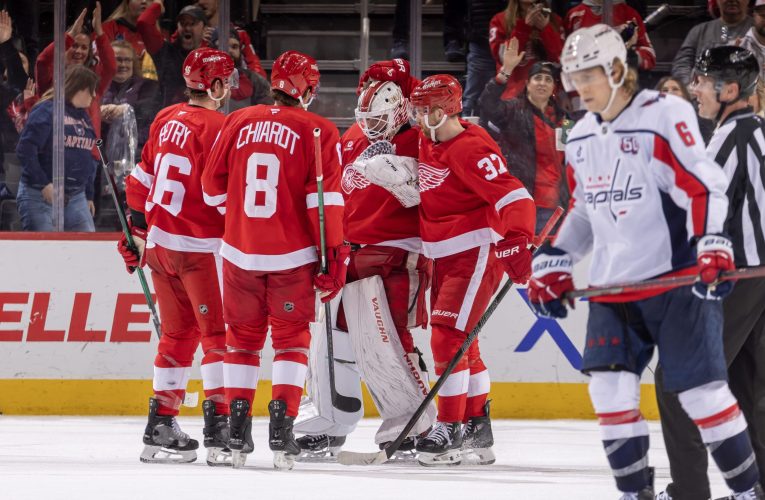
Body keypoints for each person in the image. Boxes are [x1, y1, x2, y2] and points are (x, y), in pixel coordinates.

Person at [528, 24, 763, 499]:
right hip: (616, 290)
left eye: (587, 75)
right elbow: (584, 212)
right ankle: (638, 493)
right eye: (571, 75)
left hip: (681, 283)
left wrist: (712, 242)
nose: (576, 87)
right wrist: (554, 259)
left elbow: (703, 187)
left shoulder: (666, 113)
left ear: (617, 69)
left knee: (702, 394)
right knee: (610, 395)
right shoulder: (581, 136)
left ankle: (740, 492)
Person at [201, 50, 346, 471]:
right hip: (292, 256)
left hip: (238, 252)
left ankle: (236, 432)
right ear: (307, 90)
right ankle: (282, 432)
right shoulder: (318, 130)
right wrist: (333, 256)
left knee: (241, 343)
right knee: (291, 342)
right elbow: (326, 204)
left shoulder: (238, 120)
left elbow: (212, 191)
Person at [296, 78, 433, 460]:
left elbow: (432, 194)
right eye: (366, 119)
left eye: (378, 119)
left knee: (388, 338)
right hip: (349, 251)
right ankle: (330, 420)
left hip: (397, 251)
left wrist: (401, 174)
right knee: (331, 337)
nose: (371, 127)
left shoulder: (423, 138)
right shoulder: (355, 135)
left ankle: (411, 425)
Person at [654, 45, 765, 500]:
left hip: (737, 279)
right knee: (748, 385)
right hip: (749, 280)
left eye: (702, 80)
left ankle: (689, 492)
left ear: (731, 89)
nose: (694, 87)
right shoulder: (744, 132)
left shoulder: (739, 137)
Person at [408, 74, 535, 466]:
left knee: (447, 338)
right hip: (444, 253)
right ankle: (477, 425)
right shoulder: (427, 140)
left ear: (446, 109)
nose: (418, 116)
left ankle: (449, 428)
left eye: (426, 108)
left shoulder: (471, 147)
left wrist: (517, 237)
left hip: (475, 251)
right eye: (416, 108)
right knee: (467, 345)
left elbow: (515, 195)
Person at [118, 48, 235, 466]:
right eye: (226, 80)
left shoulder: (167, 118)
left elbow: (138, 184)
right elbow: (221, 197)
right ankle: (220, 428)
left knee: (177, 336)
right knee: (218, 339)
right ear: (216, 85)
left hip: (161, 247)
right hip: (201, 250)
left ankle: (161, 422)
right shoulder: (221, 127)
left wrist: (136, 232)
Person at [479, 40, 572, 233]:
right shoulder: (513, 110)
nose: (543, 83)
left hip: (557, 207)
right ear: (527, 84)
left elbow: (568, 161)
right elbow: (487, 104)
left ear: (554, 88)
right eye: (537, 78)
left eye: (548, 80)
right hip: (524, 202)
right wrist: (505, 70)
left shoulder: (564, 119)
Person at [15, 65, 98, 232]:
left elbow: (87, 156)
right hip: (40, 194)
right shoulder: (47, 109)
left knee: (87, 248)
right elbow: (25, 149)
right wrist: (43, 183)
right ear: (79, 88)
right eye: (91, 90)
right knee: (45, 250)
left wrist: (88, 194)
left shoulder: (84, 117)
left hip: (76, 197)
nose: (94, 95)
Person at [35, 3, 116, 139]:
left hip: (89, 156)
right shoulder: (52, 80)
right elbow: (42, 61)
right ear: (65, 46)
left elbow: (111, 67)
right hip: (58, 154)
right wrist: (69, 35)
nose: (79, 51)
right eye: (74, 45)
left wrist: (100, 32)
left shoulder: (93, 82)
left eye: (84, 48)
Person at [488, 0, 565, 99]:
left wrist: (546, 29)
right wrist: (523, 28)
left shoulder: (555, 20)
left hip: (548, 97)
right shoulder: (499, 20)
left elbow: (560, 60)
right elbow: (504, 59)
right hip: (513, 97)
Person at [101, 40, 160, 163]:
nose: (123, 64)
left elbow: (148, 122)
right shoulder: (96, 86)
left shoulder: (149, 87)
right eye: (118, 59)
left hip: (136, 158)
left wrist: (122, 111)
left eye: (127, 60)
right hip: (100, 158)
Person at [137, 1, 206, 106]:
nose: (187, 28)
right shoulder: (164, 51)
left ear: (204, 29)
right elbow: (144, 23)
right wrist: (158, 4)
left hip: (201, 117)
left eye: (192, 24)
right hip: (170, 118)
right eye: (182, 23)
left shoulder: (211, 57)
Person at [672, 0, 751, 85]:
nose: (732, 1)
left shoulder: (758, 31)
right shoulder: (699, 31)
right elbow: (682, 64)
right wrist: (689, 87)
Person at [564, 0, 655, 73]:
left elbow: (650, 57)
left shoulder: (629, 14)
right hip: (585, 85)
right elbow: (563, 56)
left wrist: (628, 54)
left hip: (621, 85)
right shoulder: (574, 16)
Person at [655, 75, 715, 145]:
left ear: (684, 94)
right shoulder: (652, 119)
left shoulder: (699, 115)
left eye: (675, 89)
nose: (670, 93)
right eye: (665, 90)